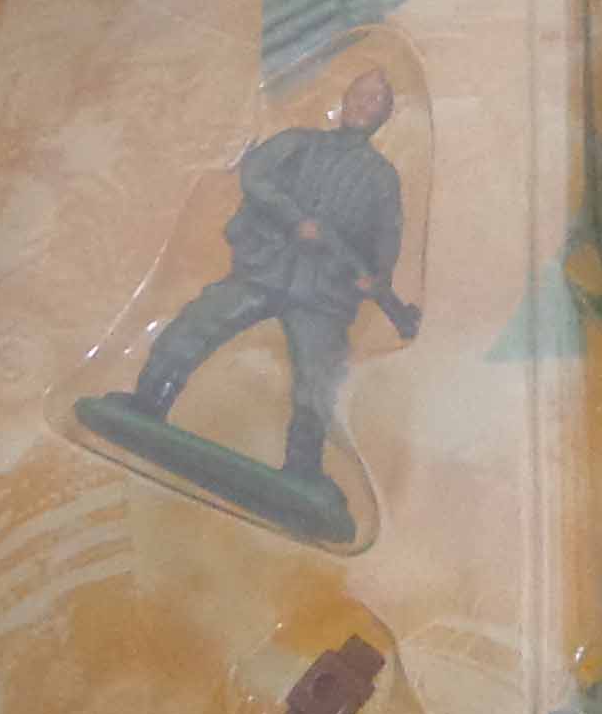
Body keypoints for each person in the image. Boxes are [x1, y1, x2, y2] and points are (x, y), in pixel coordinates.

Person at [123, 67, 419, 500]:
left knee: (318, 378)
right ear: (345, 97)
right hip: (267, 267)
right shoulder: (299, 142)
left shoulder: (382, 178)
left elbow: (386, 237)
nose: (363, 104)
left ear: (386, 113)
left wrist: (376, 278)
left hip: (323, 293)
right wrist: (294, 219)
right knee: (199, 323)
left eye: (375, 100)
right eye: (359, 93)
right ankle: (148, 400)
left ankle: (303, 467)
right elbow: (255, 175)